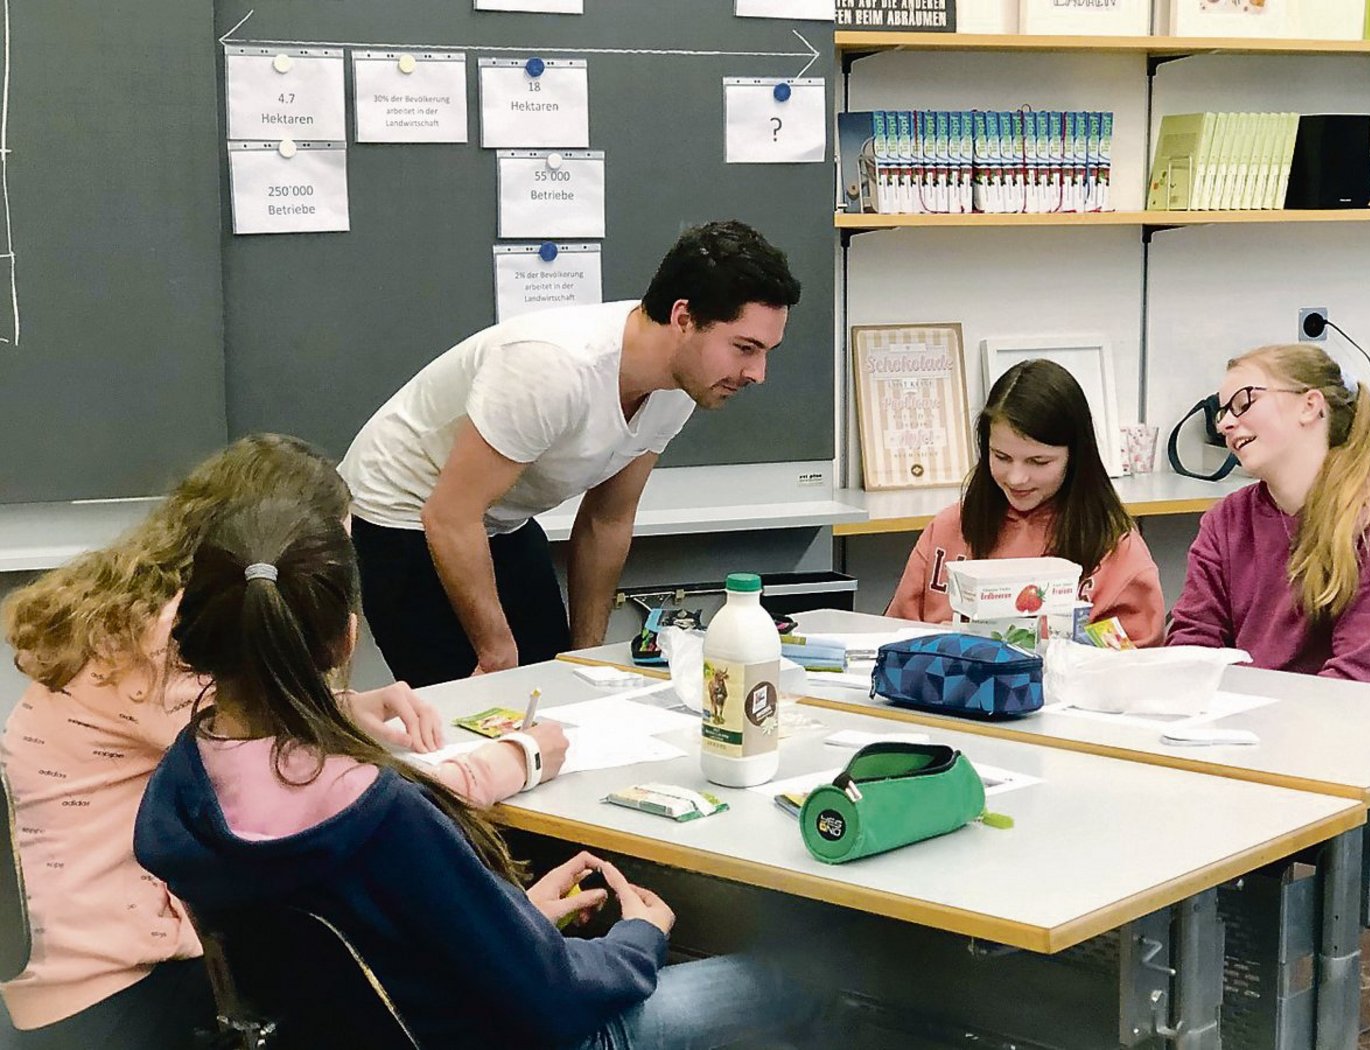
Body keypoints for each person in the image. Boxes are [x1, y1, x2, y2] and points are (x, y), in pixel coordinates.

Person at [134, 498, 816, 1050]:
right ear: (346, 636)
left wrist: (510, 924)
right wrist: (639, 937)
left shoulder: (182, 784)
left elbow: (353, 963)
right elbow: (557, 1001)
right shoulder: (379, 813)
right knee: (796, 985)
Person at [0, 435, 565, 1050]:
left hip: (67, 962)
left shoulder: (131, 608)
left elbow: (228, 734)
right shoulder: (165, 644)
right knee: (407, 979)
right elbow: (333, 807)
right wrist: (516, 759)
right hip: (117, 991)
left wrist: (345, 709)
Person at [340, 220, 803, 687]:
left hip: (498, 518)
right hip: (403, 513)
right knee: (474, 710)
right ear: (683, 319)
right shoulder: (554, 369)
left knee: (560, 686)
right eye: (745, 348)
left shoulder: (681, 384)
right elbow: (450, 516)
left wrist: (588, 657)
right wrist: (496, 650)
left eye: (767, 352)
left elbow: (608, 520)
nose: (757, 373)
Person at [887, 359, 1165, 646]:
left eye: (1038, 461)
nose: (1017, 478)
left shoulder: (1115, 549)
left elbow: (1136, 670)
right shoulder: (949, 529)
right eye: (1001, 457)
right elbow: (894, 639)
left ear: (1075, 457)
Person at [1168, 344, 1370, 683]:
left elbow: (1360, 680)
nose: (1225, 425)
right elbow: (1191, 648)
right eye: (1223, 413)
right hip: (1242, 724)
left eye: (1244, 402)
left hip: (1335, 727)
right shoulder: (1227, 520)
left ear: (1310, 406)